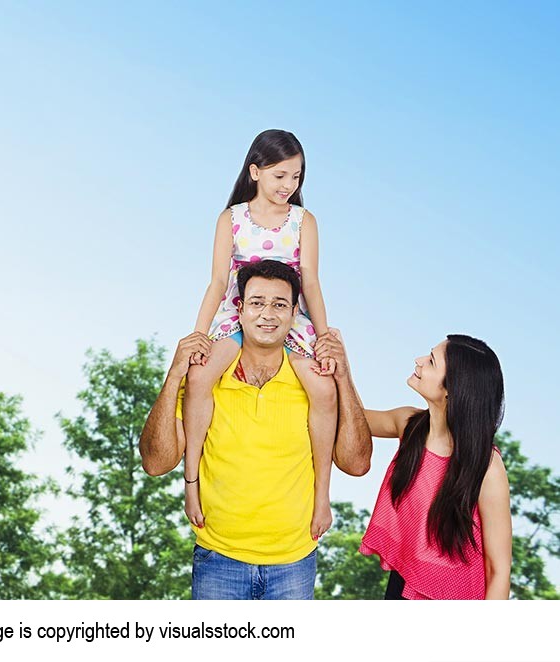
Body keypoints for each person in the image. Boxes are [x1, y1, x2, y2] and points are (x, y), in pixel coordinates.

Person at [139, 259, 372, 599]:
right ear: (240, 309)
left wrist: (344, 373)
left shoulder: (314, 381)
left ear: (294, 313)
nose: (268, 314)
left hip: (294, 561)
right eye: (257, 303)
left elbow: (357, 463)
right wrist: (174, 375)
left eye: (280, 305)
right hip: (218, 557)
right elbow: (155, 463)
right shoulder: (206, 375)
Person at [183, 129, 336, 542]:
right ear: (255, 171)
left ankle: (322, 494)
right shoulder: (230, 219)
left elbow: (312, 282)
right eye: (280, 176)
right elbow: (217, 281)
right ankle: (191, 481)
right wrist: (199, 336)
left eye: (297, 178)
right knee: (198, 379)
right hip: (240, 313)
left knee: (324, 391)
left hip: (290, 319)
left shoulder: (304, 221)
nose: (289, 186)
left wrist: (323, 338)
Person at [314, 332, 512, 599]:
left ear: (452, 389)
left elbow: (497, 570)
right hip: (404, 583)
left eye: (431, 361)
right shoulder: (408, 424)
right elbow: (351, 420)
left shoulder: (487, 467)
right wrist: (342, 371)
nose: (418, 361)